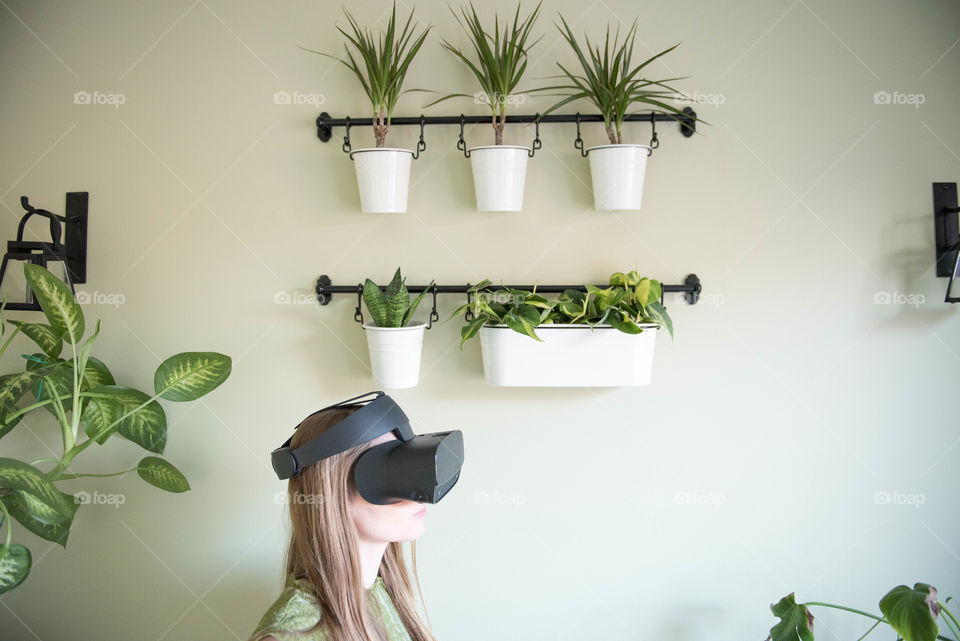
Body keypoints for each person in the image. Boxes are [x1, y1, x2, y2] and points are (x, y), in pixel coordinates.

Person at [248, 392, 463, 641]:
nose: (417, 494)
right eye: (395, 473)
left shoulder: (381, 596)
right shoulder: (291, 633)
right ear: (333, 494)